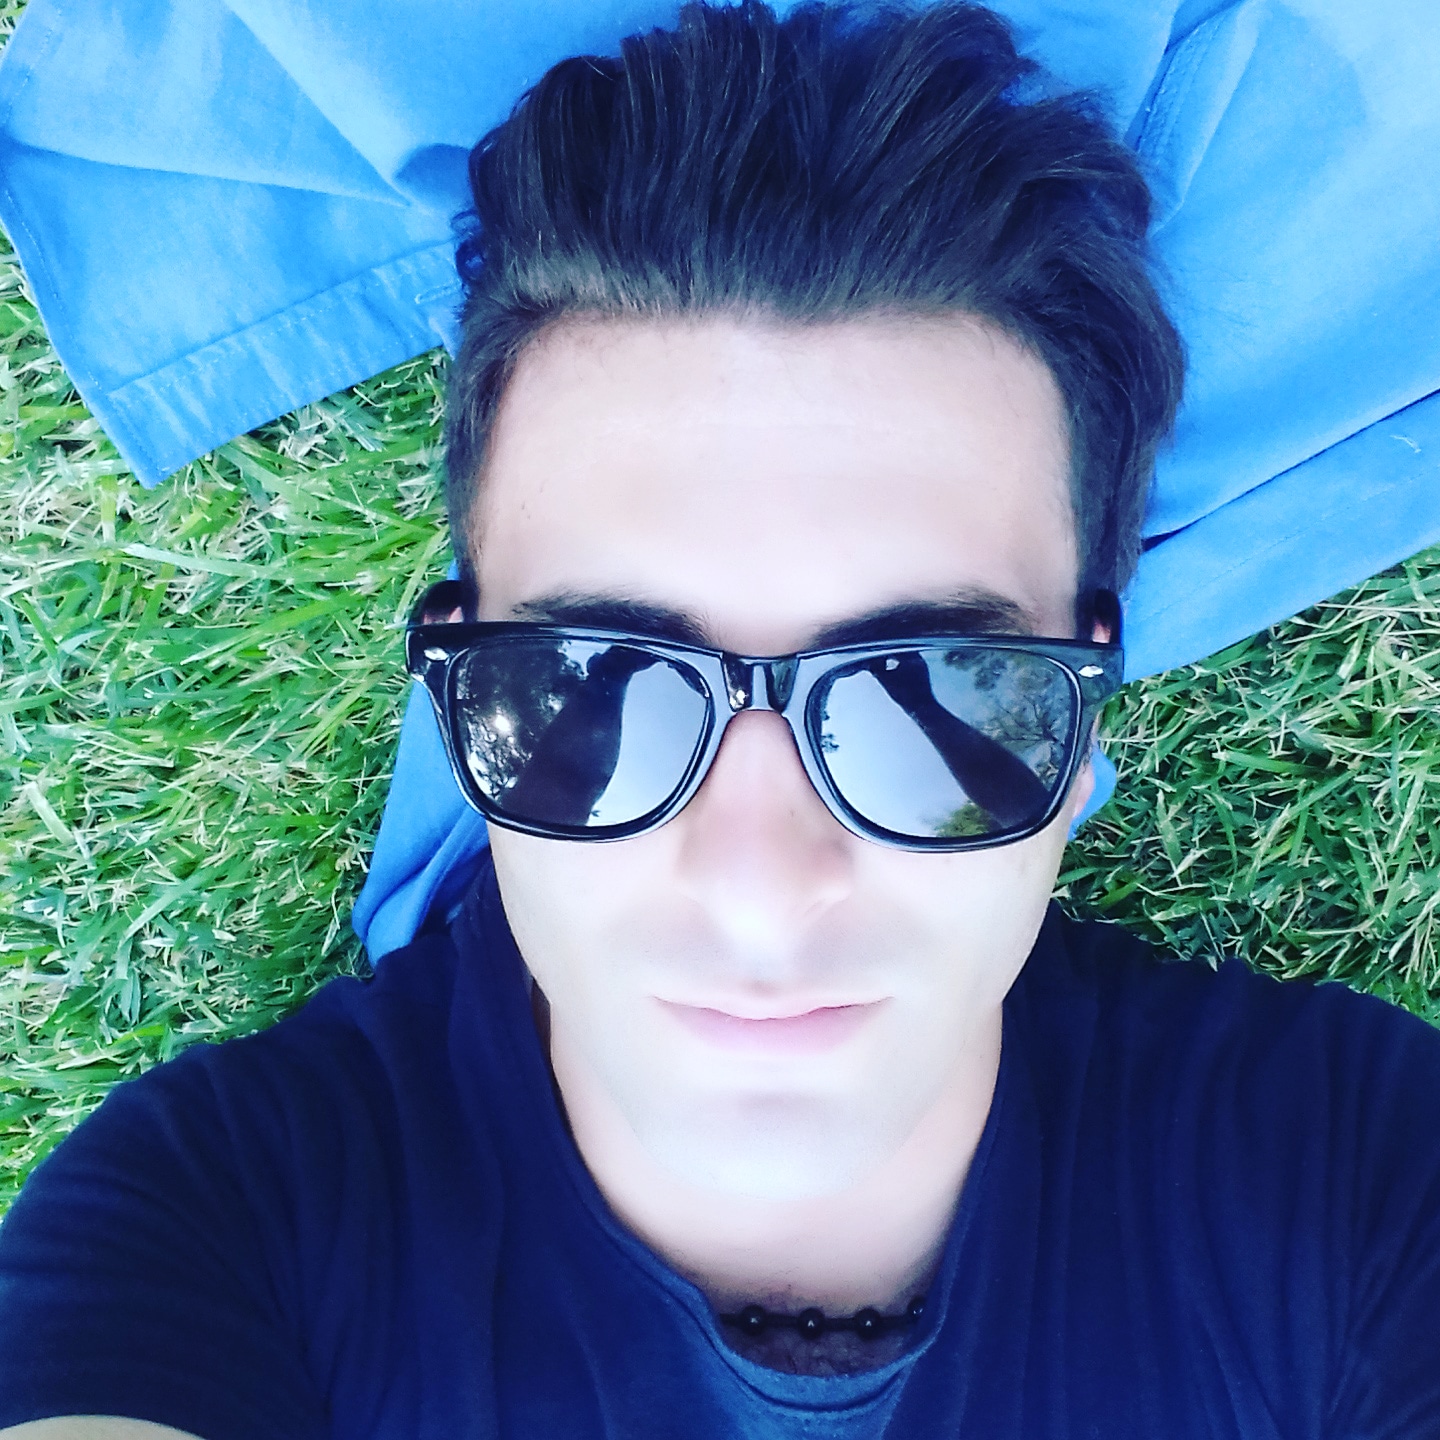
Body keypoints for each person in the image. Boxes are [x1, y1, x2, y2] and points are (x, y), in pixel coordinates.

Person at [1, 2, 1437, 1436]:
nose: (761, 885)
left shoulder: (1371, 1182)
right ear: (454, 688)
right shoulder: (206, 1235)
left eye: (935, 689)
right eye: (598, 683)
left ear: (1085, 721)